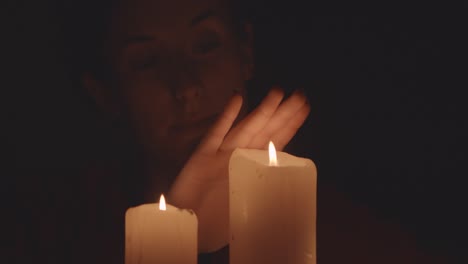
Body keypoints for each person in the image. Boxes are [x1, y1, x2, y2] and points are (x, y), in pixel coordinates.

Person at [57, 0, 450, 263]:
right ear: (106, 93)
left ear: (245, 53)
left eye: (205, 45)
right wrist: (172, 238)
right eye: (146, 61)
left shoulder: (356, 240)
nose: (186, 85)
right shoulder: (56, 230)